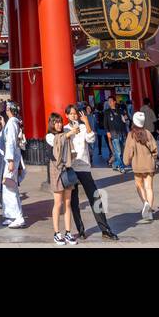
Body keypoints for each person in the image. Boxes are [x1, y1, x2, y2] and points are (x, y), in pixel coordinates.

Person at [47, 104, 118, 241]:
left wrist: (86, 122)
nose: (74, 116)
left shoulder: (84, 127)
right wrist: (70, 132)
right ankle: (80, 230)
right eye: (71, 114)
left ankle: (105, 229)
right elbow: (58, 142)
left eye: (76, 113)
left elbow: (91, 139)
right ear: (66, 115)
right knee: (73, 202)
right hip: (71, 168)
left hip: (84, 166)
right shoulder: (64, 129)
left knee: (95, 198)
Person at [47, 113, 77, 246]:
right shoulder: (50, 136)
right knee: (58, 203)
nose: (59, 124)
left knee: (68, 202)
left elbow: (69, 146)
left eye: (60, 122)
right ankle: (56, 232)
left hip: (67, 169)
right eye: (56, 122)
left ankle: (68, 232)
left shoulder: (65, 134)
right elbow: (57, 142)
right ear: (52, 124)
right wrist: (69, 134)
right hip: (56, 171)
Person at [124, 111, 158, 221]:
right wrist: (154, 158)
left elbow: (129, 151)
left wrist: (126, 161)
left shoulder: (131, 135)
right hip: (149, 164)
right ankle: (150, 211)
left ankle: (145, 203)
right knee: (149, 187)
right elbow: (154, 149)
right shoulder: (148, 133)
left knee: (139, 185)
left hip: (138, 164)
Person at [0, 101, 26, 228]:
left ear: (9, 109)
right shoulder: (14, 122)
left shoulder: (12, 123)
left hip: (11, 158)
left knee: (10, 187)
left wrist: (10, 161)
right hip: (13, 157)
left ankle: (18, 216)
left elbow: (10, 142)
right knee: (8, 186)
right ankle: (10, 214)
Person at [103, 96, 127, 172]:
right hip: (114, 134)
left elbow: (124, 121)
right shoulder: (107, 112)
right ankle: (121, 167)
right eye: (108, 101)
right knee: (118, 152)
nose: (109, 102)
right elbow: (105, 123)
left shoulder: (120, 111)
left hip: (122, 133)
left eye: (111, 101)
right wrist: (107, 132)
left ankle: (115, 164)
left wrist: (125, 132)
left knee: (122, 152)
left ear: (114, 102)